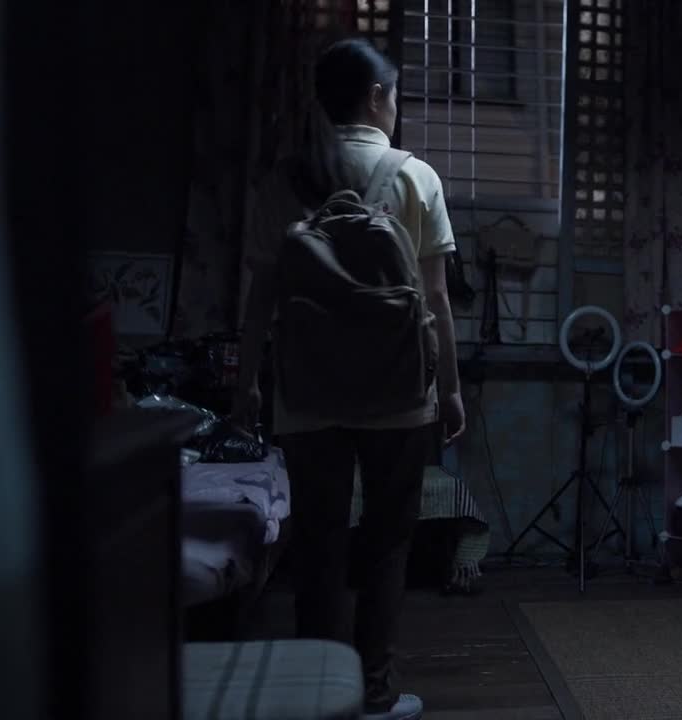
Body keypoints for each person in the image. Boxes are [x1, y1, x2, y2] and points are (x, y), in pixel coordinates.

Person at [233, 38, 464, 720]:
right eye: (395, 95)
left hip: (307, 391)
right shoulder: (415, 177)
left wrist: (247, 384)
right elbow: (436, 298)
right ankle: (376, 692)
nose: (397, 108)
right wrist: (451, 388)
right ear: (376, 97)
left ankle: (317, 693)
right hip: (399, 392)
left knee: (318, 544)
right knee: (388, 543)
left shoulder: (283, 178)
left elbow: (261, 296)